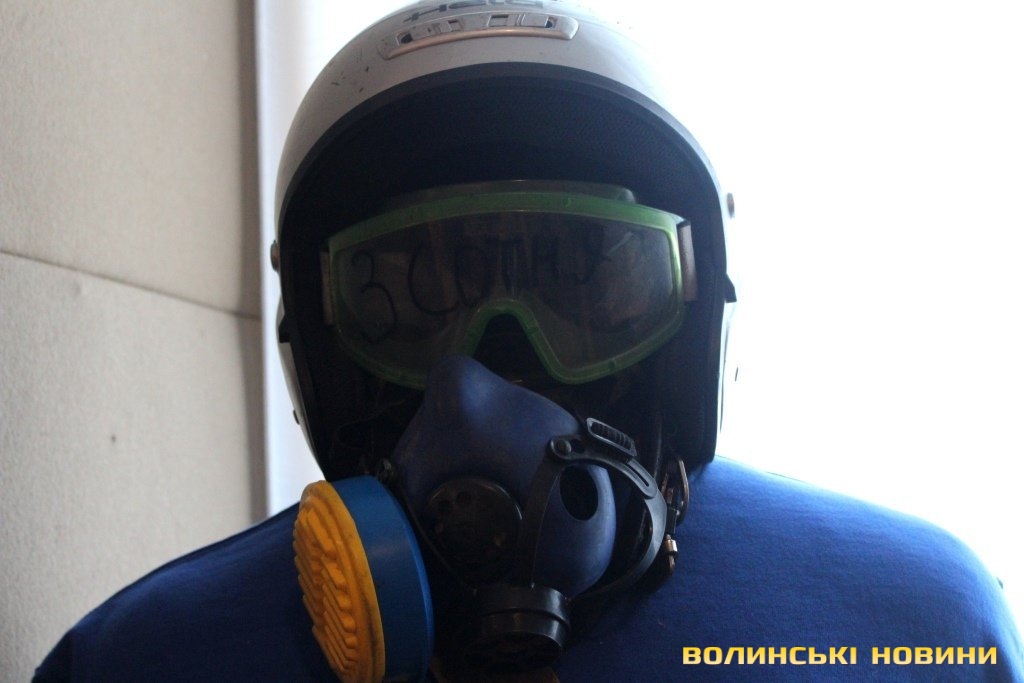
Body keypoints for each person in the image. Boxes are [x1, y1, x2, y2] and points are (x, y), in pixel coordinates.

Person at [34, 2, 1023, 681]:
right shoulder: (144, 657)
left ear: (689, 317)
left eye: (584, 278)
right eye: (421, 291)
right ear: (326, 348)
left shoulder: (919, 625)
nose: (493, 380)